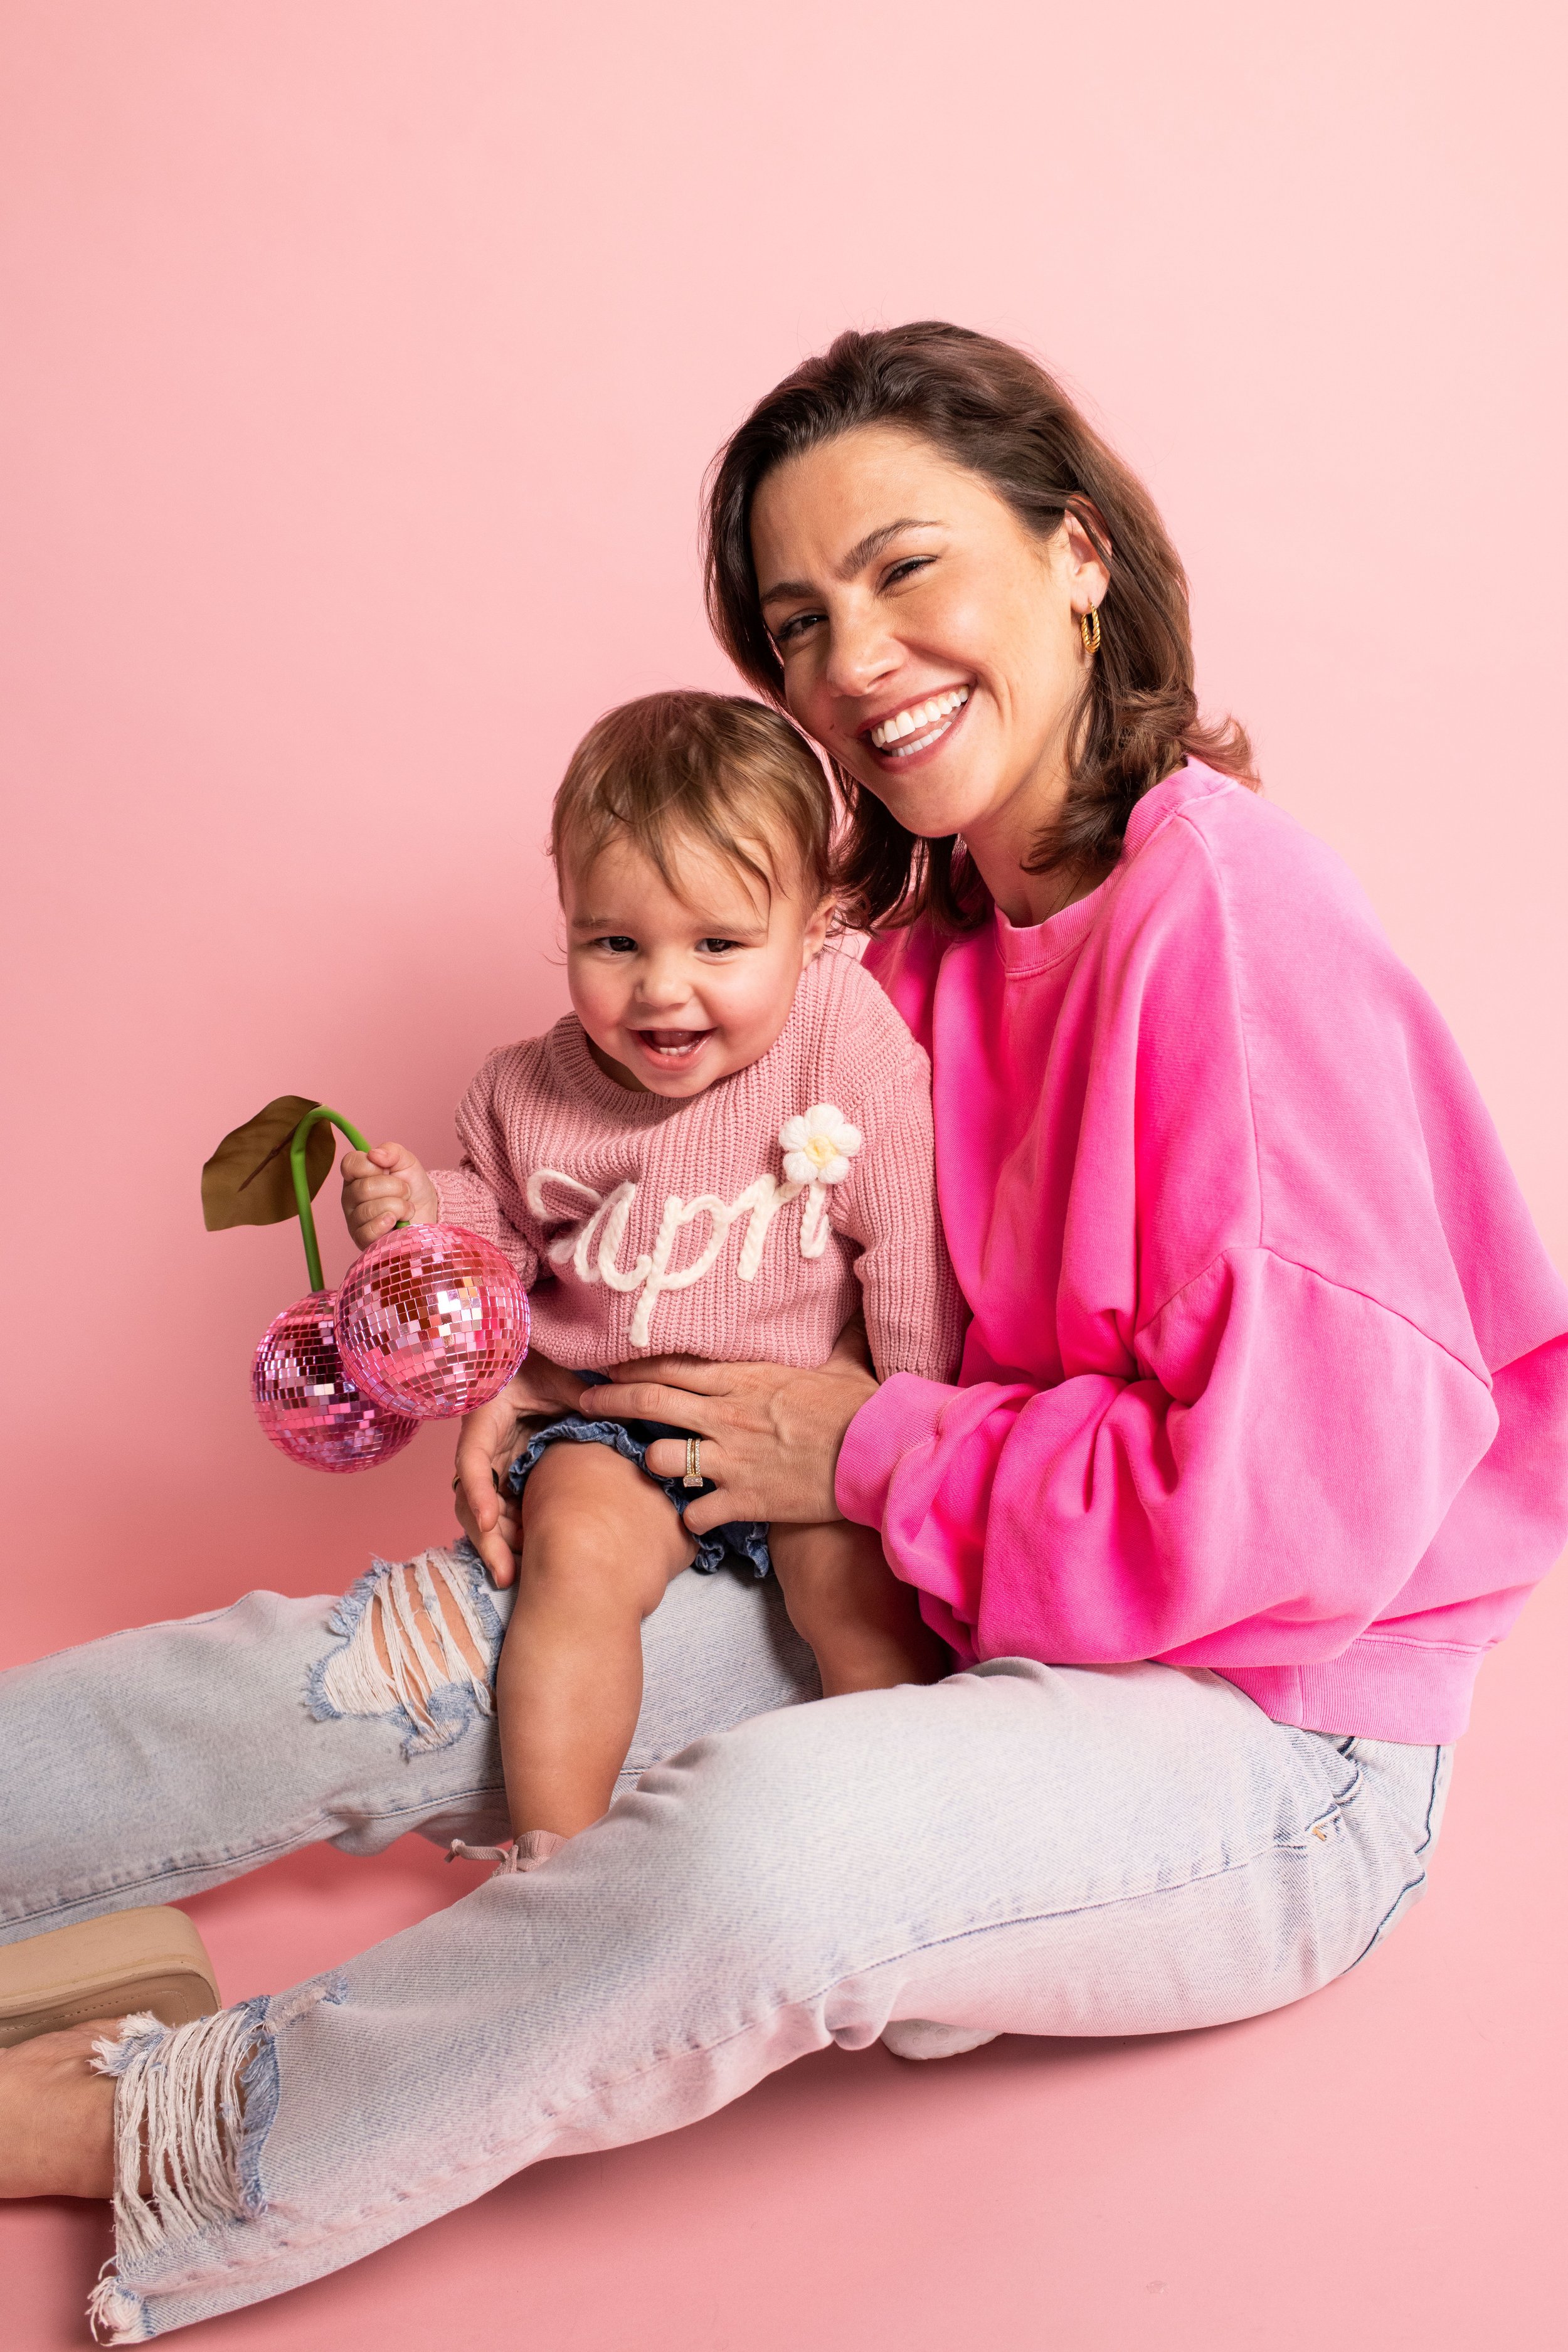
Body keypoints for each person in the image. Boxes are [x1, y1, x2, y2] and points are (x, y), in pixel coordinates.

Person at [3, 324, 1566, 2346]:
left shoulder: (1239, 947)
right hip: (963, 1584)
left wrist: (862, 1451)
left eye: (909, 568)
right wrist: (528, 1379)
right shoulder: (906, 957)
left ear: (1076, 554)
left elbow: (1290, 1519)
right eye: (799, 616)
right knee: (398, 1657)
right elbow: (712, 1240)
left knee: (765, 1845)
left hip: (1270, 1724)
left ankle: (158, 2111)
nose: (855, 659)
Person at [337, 690, 959, 1866]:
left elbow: (906, 1237)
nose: (661, 990)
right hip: (615, 1420)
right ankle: (553, 1858)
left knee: (865, 1607)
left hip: (809, 1421)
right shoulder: (528, 1088)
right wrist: (417, 1216)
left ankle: (897, 1864)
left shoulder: (840, 1030)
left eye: (719, 945)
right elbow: (497, 1241)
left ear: (815, 925)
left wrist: (906, 1410)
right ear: (567, 921)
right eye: (614, 943)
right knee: (568, 1565)